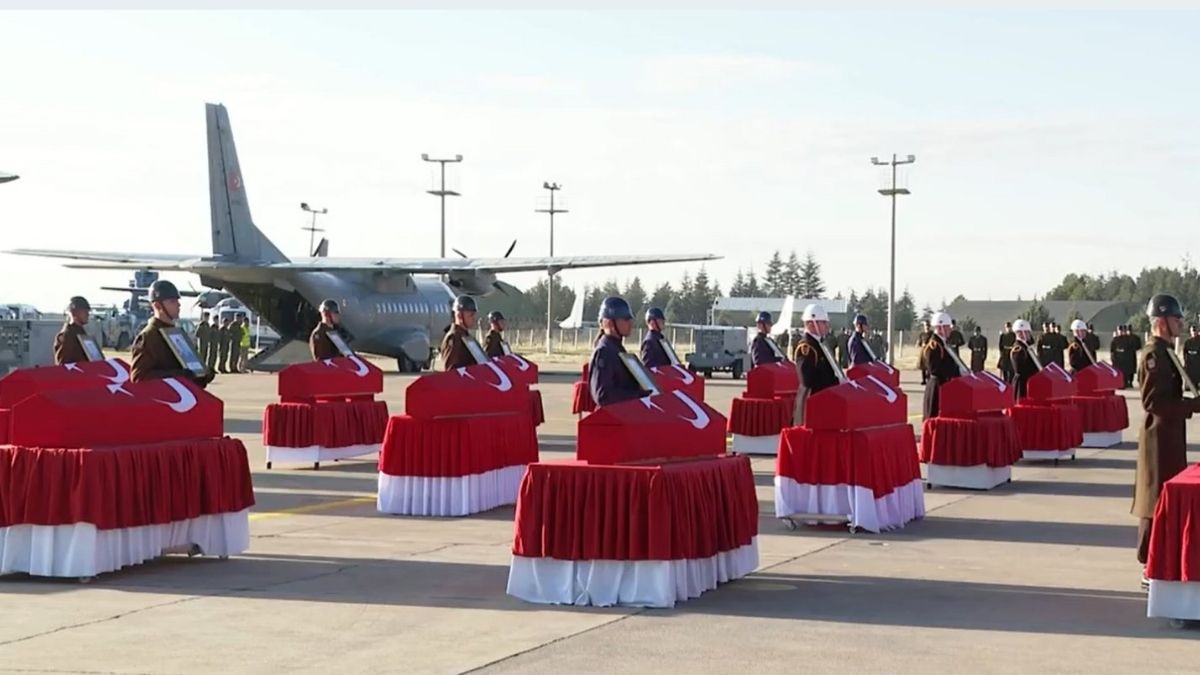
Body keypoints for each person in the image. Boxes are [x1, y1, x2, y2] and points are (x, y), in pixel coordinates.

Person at [1132, 293, 1200, 579]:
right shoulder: (1154, 355)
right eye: (1176, 319)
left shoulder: (1166, 351)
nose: (1180, 323)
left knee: (1163, 499)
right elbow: (1153, 402)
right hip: (1158, 438)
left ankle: (1158, 560)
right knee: (1154, 500)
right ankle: (1148, 564)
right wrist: (1191, 406)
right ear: (1161, 321)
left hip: (1169, 435)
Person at [130, 280, 213, 387]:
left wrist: (202, 375)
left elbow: (188, 370)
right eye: (172, 301)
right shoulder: (148, 337)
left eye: (177, 300)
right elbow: (139, 378)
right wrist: (178, 375)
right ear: (158, 306)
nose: (178, 304)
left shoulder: (177, 333)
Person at [589, 296, 652, 407]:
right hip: (614, 416)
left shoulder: (616, 348)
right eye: (625, 319)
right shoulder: (604, 352)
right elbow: (603, 396)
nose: (630, 323)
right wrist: (638, 395)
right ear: (610, 323)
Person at [792, 303, 842, 425]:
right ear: (811, 324)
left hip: (824, 399)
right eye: (823, 322)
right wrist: (832, 382)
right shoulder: (807, 346)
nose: (827, 326)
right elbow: (806, 380)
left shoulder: (821, 344)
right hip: (812, 400)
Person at [922, 312, 968, 418]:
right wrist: (956, 372)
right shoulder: (934, 346)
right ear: (940, 327)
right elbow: (934, 369)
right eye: (947, 327)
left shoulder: (943, 344)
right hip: (937, 388)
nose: (950, 330)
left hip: (944, 386)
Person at [440, 295, 483, 371]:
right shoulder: (454, 338)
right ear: (459, 316)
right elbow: (450, 371)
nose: (474, 318)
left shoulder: (466, 336)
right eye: (471, 315)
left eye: (474, 314)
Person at [53, 295, 98, 365]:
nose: (87, 314)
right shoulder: (67, 336)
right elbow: (63, 366)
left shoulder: (80, 332)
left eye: (88, 311)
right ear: (74, 313)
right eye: (84, 311)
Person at [1009, 319, 1042, 400]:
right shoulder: (1018, 348)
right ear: (1020, 333)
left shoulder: (1026, 347)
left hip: (1028, 382)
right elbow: (1019, 369)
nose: (1028, 334)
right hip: (1022, 384)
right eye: (1026, 332)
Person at [917, 320, 933, 385]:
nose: (927, 326)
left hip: (929, 351)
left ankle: (928, 379)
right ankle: (923, 380)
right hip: (923, 351)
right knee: (923, 366)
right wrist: (921, 344)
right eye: (926, 325)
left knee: (929, 365)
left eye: (928, 325)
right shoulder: (922, 334)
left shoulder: (932, 334)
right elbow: (919, 343)